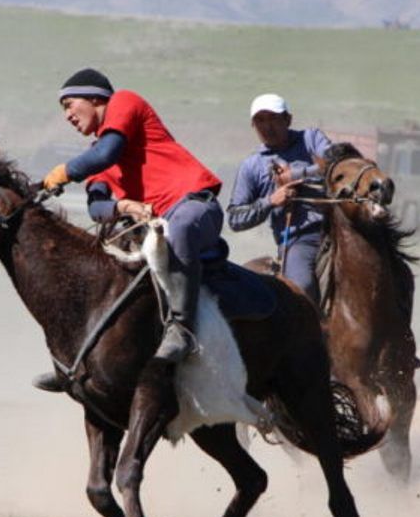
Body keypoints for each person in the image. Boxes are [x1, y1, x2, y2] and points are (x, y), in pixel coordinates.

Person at [35, 68, 224, 391]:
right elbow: (96, 208)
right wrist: (123, 206)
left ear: (96, 98)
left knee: (177, 229)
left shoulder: (124, 102)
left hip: (194, 207)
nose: (67, 115)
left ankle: (183, 331)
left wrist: (66, 171)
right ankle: (82, 358)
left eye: (69, 104)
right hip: (154, 227)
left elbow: (104, 154)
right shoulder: (100, 154)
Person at [226, 93, 331, 304]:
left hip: (340, 224)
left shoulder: (311, 139)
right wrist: (271, 201)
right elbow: (235, 219)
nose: (267, 126)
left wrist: (296, 175)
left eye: (273, 118)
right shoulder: (252, 166)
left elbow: (337, 163)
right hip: (301, 238)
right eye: (260, 121)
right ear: (253, 125)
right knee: (301, 289)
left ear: (288, 120)